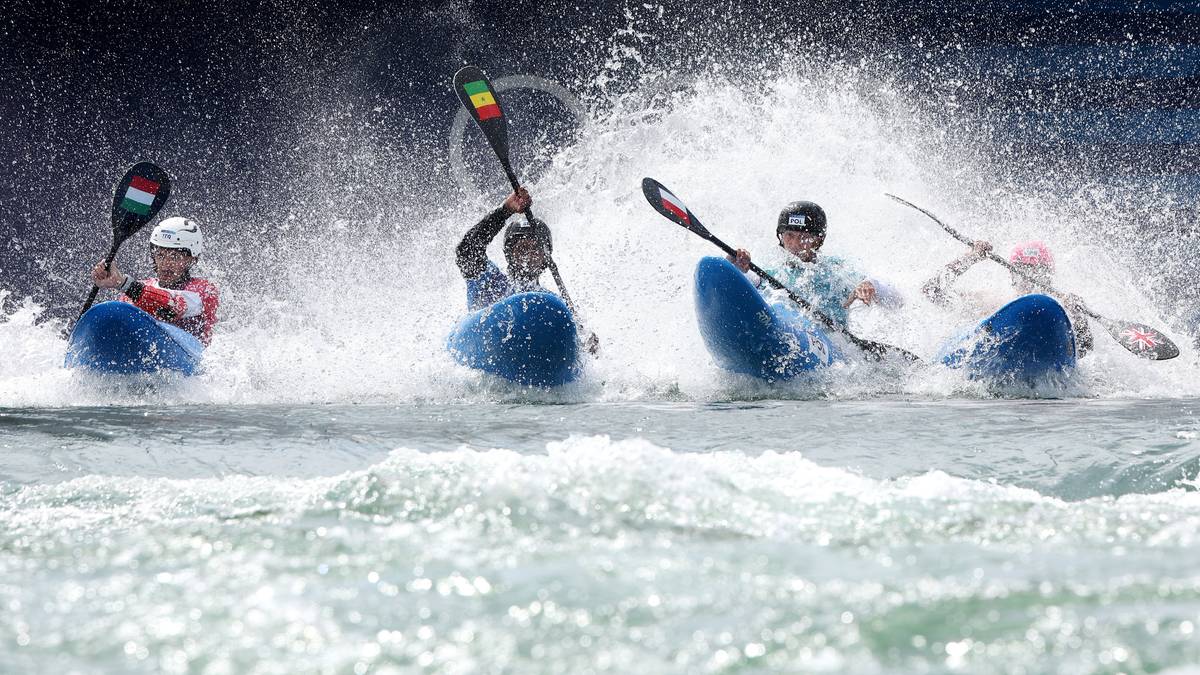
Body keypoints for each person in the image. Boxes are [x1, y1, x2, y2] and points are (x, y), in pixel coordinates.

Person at [456, 187, 598, 353]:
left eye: (535, 249)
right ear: (509, 254)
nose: (528, 256)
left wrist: (586, 345)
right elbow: (466, 250)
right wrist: (505, 211)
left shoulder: (553, 303)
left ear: (546, 258)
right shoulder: (490, 282)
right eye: (522, 248)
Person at [726, 200, 903, 327]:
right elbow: (746, 282)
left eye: (804, 237)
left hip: (829, 343)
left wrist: (872, 285)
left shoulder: (836, 270)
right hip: (782, 329)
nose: (795, 244)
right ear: (781, 237)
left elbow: (898, 301)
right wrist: (734, 266)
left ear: (818, 240)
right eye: (789, 236)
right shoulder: (771, 270)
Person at [921, 239, 1093, 355]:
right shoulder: (991, 302)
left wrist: (1080, 319)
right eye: (1022, 270)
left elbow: (1085, 352)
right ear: (1012, 273)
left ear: (1049, 275)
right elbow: (932, 291)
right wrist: (970, 257)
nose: (1029, 278)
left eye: (1038, 271)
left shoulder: (1063, 309)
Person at [90, 216, 219, 346]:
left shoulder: (205, 291)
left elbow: (170, 309)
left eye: (175, 256)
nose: (166, 264)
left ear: (192, 259)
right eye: (160, 255)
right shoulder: (140, 287)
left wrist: (123, 283)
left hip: (193, 358)